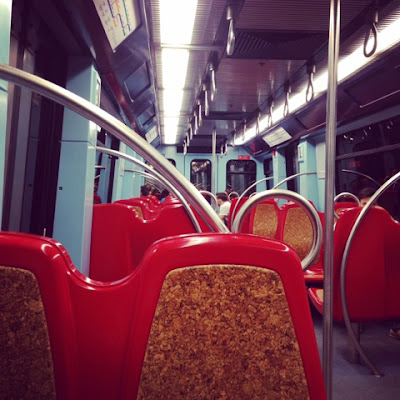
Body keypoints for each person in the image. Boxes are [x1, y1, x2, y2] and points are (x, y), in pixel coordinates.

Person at [358, 187, 400, 340]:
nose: (369, 208)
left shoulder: (386, 219)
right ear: (358, 205)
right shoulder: (351, 222)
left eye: (373, 204)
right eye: (365, 204)